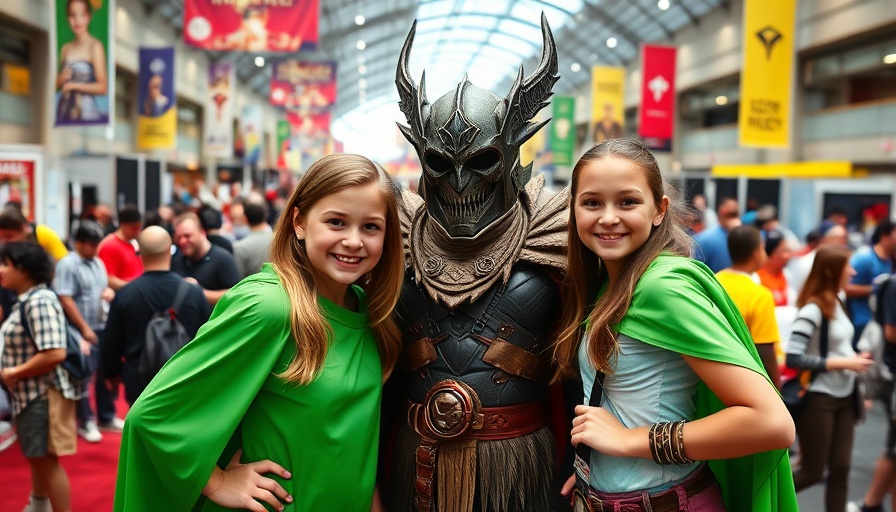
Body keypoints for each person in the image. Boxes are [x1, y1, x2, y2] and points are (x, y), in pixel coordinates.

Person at [114, 154, 404, 511]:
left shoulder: (368, 310)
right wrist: (218, 482)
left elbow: (354, 443)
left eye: (371, 227)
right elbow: (153, 417)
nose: (354, 241)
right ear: (299, 222)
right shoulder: (269, 306)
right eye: (336, 222)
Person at [386, 15, 572, 512]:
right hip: (416, 457)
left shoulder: (556, 234)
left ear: (509, 155)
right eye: (441, 165)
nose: (459, 183)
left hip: (520, 464)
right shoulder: (391, 236)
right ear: (422, 158)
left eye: (481, 162)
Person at [554, 138, 797, 510]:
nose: (608, 217)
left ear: (659, 209)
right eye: (592, 203)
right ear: (573, 209)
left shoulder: (662, 288)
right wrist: (596, 469)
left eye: (627, 201)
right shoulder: (609, 283)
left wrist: (628, 441)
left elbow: (772, 423)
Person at [786, 245, 874, 511]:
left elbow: (838, 346)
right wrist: (845, 362)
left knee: (841, 469)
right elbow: (793, 357)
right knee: (812, 471)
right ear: (832, 271)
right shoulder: (813, 309)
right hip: (820, 397)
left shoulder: (838, 301)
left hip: (845, 395)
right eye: (848, 266)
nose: (853, 272)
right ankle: (758, 502)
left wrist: (854, 357)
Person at [0, 242, 78, 512]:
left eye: (7, 264)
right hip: (32, 393)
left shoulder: (39, 301)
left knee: (45, 460)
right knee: (37, 456)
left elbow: (55, 352)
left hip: (41, 393)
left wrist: (13, 372)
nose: (2, 270)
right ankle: (38, 505)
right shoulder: (29, 299)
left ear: (24, 269)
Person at [102, 226, 210, 405]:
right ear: (169, 251)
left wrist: (111, 373)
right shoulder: (193, 293)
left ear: (140, 253)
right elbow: (207, 338)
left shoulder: (125, 295)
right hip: (185, 379)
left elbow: (112, 341)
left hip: (140, 384)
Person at [53, 222, 111, 443]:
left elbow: (103, 288)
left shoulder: (97, 262)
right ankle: (86, 421)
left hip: (101, 324)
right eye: (92, 244)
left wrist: (109, 293)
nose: (95, 248)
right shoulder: (67, 264)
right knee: (83, 375)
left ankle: (105, 416)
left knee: (104, 373)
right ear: (79, 243)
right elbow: (65, 299)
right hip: (77, 330)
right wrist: (83, 330)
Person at [851, 272, 896, 512]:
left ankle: (872, 504)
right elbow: (891, 332)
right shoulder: (893, 285)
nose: (852, 273)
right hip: (890, 373)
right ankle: (871, 504)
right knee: (893, 449)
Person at [716, 225, 782, 387]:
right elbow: (764, 349)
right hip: (744, 379)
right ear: (757, 252)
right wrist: (777, 389)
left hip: (712, 373)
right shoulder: (760, 295)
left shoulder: (713, 281)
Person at [55, 0, 108, 124]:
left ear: (88, 17)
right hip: (64, 110)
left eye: (82, 15)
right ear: (68, 18)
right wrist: (60, 79)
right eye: (72, 15)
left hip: (86, 113)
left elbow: (103, 87)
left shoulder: (95, 46)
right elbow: (55, 84)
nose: (77, 21)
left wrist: (74, 86)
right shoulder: (65, 48)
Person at [171, 212, 241, 305]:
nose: (182, 241)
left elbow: (236, 295)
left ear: (202, 233)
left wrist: (199, 292)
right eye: (178, 238)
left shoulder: (222, 259)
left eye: (187, 236)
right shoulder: (177, 259)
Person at [846, 220, 896, 347]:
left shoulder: (889, 259)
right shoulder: (865, 258)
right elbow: (846, 288)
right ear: (885, 236)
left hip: (878, 322)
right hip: (860, 322)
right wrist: (878, 289)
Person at [0, 207, 69, 262]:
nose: (4, 242)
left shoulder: (42, 233)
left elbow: (63, 260)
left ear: (24, 229)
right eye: (1, 238)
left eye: (8, 237)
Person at [693, 196, 741, 272]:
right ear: (721, 212)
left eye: (734, 214)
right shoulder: (704, 239)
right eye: (729, 214)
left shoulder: (744, 238)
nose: (732, 219)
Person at [233, 201, 272, 278]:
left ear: (245, 218)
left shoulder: (240, 247)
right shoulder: (279, 238)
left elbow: (237, 277)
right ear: (265, 215)